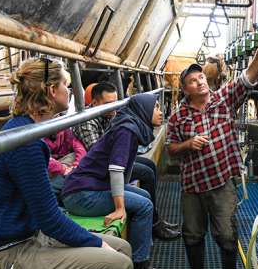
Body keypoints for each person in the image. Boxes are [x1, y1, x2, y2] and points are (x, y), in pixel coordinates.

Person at [0, 58, 133, 269]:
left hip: (23, 239)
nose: (71, 90)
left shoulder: (24, 131)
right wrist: (97, 243)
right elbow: (50, 220)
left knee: (122, 246)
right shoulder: (26, 143)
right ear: (53, 91)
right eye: (66, 84)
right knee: (119, 265)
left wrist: (97, 243)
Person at [165, 21, 258, 269]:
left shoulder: (225, 99)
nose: (200, 81)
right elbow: (171, 150)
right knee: (192, 234)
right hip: (191, 185)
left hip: (221, 181)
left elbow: (250, 76)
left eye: (201, 77)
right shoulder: (178, 116)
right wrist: (188, 144)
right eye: (193, 80)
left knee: (227, 234)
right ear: (186, 89)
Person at [62, 93, 179, 269]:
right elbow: (116, 170)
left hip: (91, 187)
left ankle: (142, 258)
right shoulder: (127, 131)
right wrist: (119, 207)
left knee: (144, 197)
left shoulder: (131, 125)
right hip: (81, 195)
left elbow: (123, 168)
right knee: (144, 205)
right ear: (143, 111)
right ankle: (136, 267)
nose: (160, 112)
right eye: (156, 107)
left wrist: (123, 196)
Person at [73, 81, 179, 233]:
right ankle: (154, 225)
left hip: (108, 162)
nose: (114, 108)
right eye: (109, 104)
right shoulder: (89, 121)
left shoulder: (113, 116)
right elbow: (98, 152)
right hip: (100, 169)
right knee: (146, 174)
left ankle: (155, 220)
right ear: (94, 103)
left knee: (149, 165)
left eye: (115, 103)